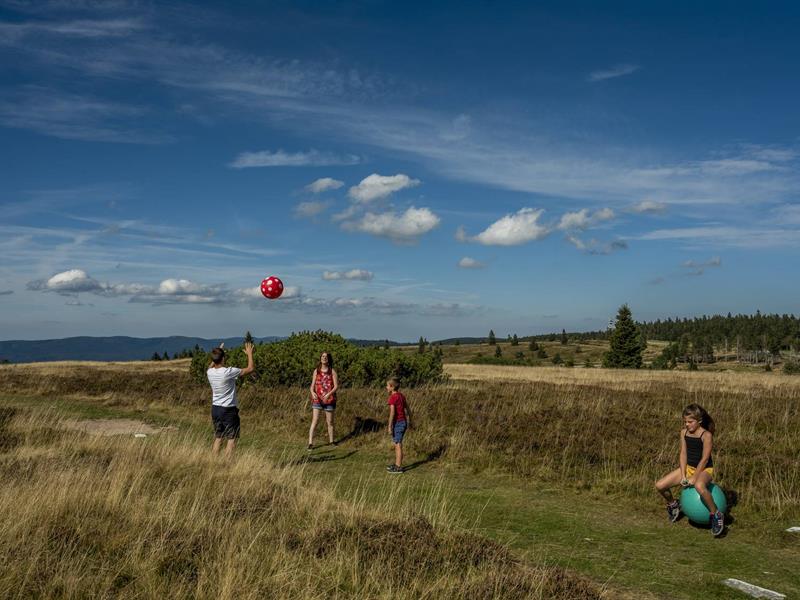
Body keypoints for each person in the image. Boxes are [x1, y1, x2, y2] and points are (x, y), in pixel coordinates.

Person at [655, 403, 724, 536]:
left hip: (705, 470)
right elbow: (683, 454)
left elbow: (704, 459)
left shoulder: (706, 435)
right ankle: (673, 505)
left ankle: (716, 514)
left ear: (699, 421)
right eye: (685, 422)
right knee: (660, 485)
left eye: (690, 422)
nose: (687, 424)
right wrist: (683, 475)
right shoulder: (683, 433)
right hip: (688, 468)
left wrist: (694, 477)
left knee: (699, 486)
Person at [207, 341, 254, 458]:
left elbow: (211, 365)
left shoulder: (210, 372)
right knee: (231, 438)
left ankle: (213, 461)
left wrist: (218, 352)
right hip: (228, 410)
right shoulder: (228, 372)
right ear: (223, 358)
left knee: (218, 437)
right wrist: (249, 353)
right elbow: (250, 368)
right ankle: (227, 464)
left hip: (215, 409)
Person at [307, 351, 338, 450]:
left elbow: (336, 386)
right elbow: (312, 386)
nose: (324, 358)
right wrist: (312, 392)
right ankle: (310, 443)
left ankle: (331, 441)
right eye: (322, 356)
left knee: (330, 422)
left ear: (328, 359)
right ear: (320, 358)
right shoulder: (316, 371)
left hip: (329, 400)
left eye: (326, 357)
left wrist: (329, 394)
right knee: (315, 421)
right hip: (317, 400)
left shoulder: (332, 371)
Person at [385, 377, 411, 474]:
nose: (386, 387)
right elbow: (408, 409)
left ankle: (399, 467)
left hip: (398, 423)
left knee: (398, 444)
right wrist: (410, 420)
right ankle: (396, 464)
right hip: (403, 422)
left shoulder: (392, 397)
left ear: (392, 387)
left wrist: (389, 425)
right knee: (397, 444)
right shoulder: (401, 396)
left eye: (387, 386)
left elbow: (392, 412)